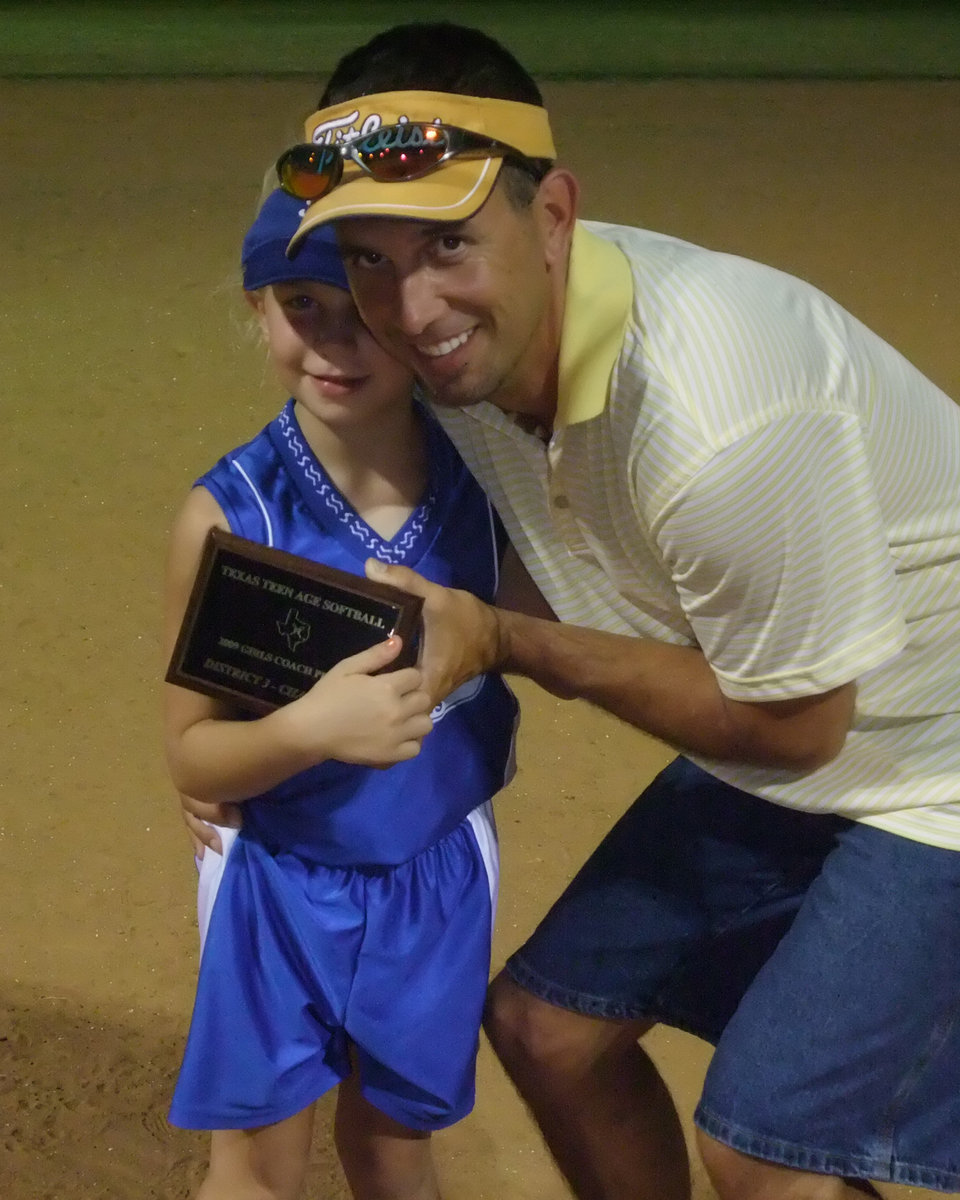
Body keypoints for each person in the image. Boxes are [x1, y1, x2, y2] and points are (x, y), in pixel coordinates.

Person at [266, 21, 960, 1200]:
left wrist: (513, 646)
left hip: (931, 766)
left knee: (760, 1145)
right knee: (550, 1032)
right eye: (369, 261)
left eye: (447, 243)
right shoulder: (468, 364)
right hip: (812, 733)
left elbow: (796, 727)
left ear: (553, 218)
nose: (411, 306)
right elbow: (507, 544)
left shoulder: (722, 417)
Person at [163, 186, 521, 1200]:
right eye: (298, 304)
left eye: (361, 307)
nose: (335, 341)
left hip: (438, 863)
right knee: (258, 1164)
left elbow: (560, 631)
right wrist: (309, 729)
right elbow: (193, 757)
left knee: (397, 1147)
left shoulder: (485, 484)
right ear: (255, 309)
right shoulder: (233, 517)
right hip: (277, 876)